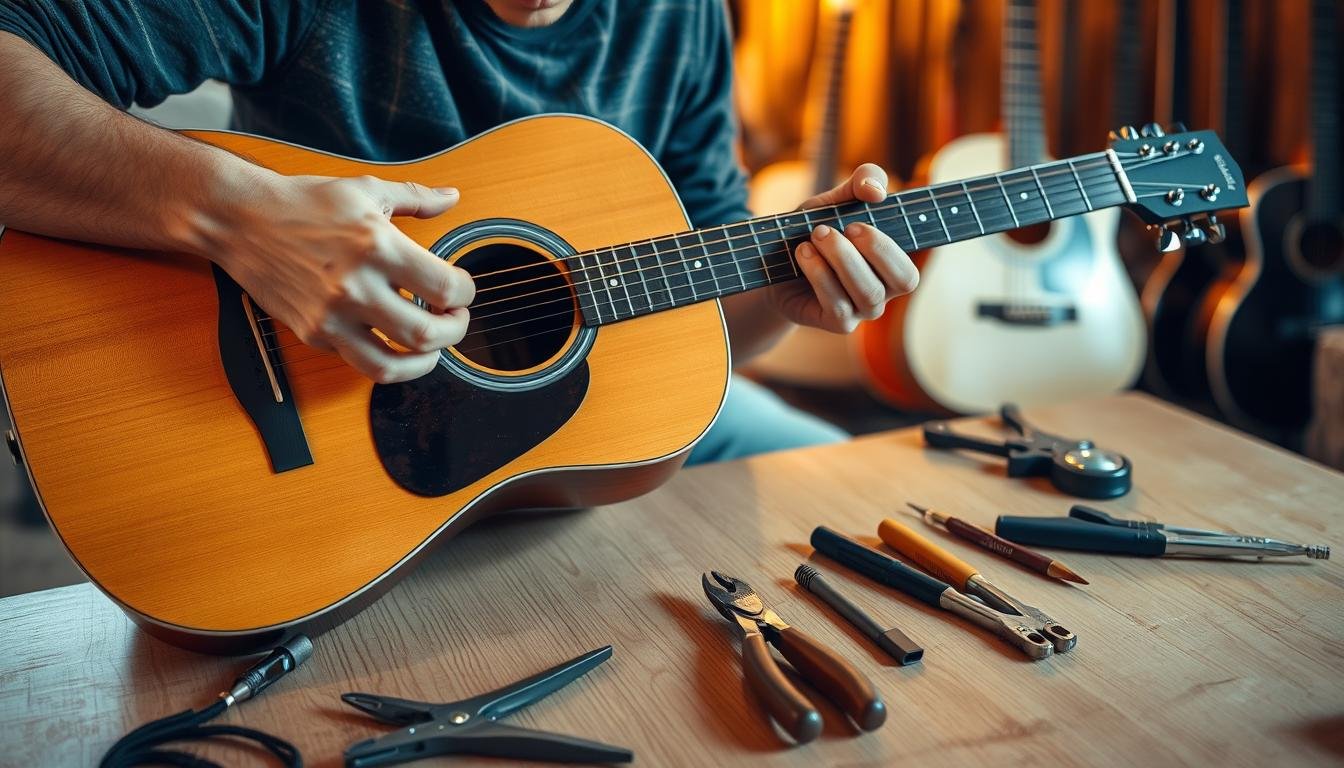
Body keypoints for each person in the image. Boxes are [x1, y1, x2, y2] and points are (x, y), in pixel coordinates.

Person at [0, 0, 917, 464]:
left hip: (581, 435)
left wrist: (783, 287)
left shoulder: (682, 16)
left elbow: (702, 328)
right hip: (312, 446)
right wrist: (236, 215)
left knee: (845, 491)